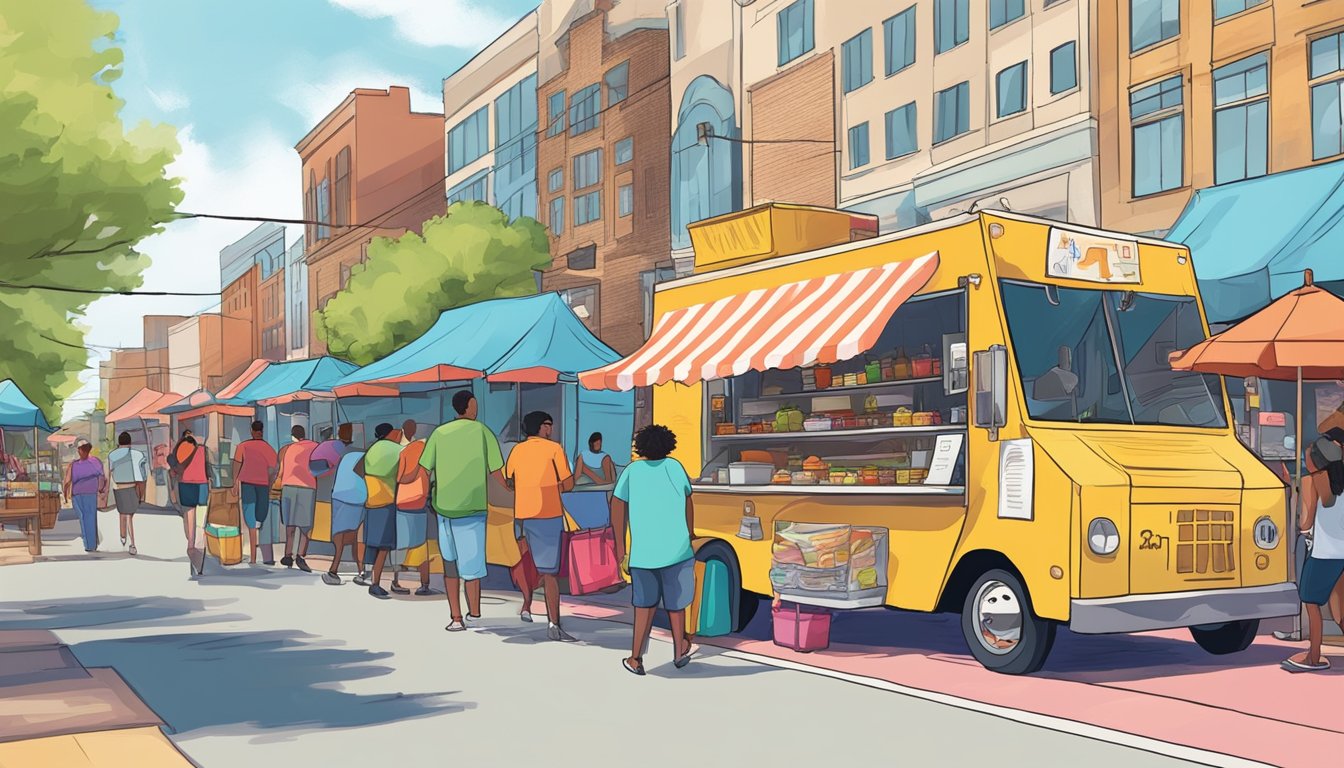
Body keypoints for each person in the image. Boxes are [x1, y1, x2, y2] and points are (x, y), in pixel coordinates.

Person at [611, 424, 696, 676]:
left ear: (641, 447)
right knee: (676, 604)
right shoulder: (676, 468)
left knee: (644, 606)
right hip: (678, 551)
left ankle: (636, 658)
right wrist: (689, 534)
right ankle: (679, 650)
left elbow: (617, 510)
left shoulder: (632, 471)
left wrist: (620, 548)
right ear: (668, 445)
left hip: (643, 554)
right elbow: (688, 503)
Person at [420, 390, 507, 632]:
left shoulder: (438, 433)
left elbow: (423, 470)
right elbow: (497, 471)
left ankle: (456, 617)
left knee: (450, 565)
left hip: (443, 509)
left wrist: (427, 493)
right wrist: (511, 487)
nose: (476, 408)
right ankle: (475, 613)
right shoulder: (482, 431)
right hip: (472, 509)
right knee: (472, 567)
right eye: (474, 404)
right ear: (467, 408)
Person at [505, 411, 577, 641]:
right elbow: (569, 483)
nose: (551, 429)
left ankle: (526, 605)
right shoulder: (554, 448)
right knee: (549, 573)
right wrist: (552, 488)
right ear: (541, 427)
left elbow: (509, 479)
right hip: (547, 513)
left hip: (522, 515)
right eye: (549, 425)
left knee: (526, 564)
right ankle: (554, 623)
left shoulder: (517, 450)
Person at [1283, 436, 1344, 673]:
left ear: (1315, 461)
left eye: (1307, 455)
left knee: (1311, 602)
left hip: (1325, 553)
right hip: (1341, 553)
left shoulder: (1314, 480)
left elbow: (1305, 522)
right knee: (1339, 609)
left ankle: (1314, 657)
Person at [357, 423, 401, 599]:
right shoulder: (397, 449)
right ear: (391, 433)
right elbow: (404, 473)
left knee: (372, 544)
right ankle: (375, 584)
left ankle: (366, 576)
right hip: (386, 500)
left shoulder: (371, 449)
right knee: (384, 546)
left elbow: (359, 470)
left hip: (371, 500)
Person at [392, 420, 433, 596]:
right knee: (420, 544)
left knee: (401, 544)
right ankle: (424, 584)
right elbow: (425, 475)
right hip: (418, 500)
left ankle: (396, 580)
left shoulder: (404, 451)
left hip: (402, 500)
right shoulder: (424, 450)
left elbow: (399, 477)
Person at [231, 421, 278, 566]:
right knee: (259, 518)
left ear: (251, 431)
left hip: (248, 484)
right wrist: (270, 484)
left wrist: (235, 483)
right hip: (262, 485)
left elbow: (237, 465)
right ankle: (255, 555)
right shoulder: (269, 449)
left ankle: (252, 557)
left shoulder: (243, 446)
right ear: (261, 431)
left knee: (250, 520)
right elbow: (274, 470)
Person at [276, 424, 319, 572]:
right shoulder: (315, 446)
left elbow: (281, 472)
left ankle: (288, 555)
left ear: (293, 436)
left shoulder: (287, 449)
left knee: (290, 524)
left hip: (288, 487)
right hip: (308, 487)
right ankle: (301, 556)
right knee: (306, 526)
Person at [324, 438, 366, 586]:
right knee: (357, 535)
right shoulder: (364, 456)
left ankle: (334, 570)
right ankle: (361, 572)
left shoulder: (344, 457)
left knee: (339, 535)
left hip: (339, 495)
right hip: (357, 497)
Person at [172, 432, 210, 577]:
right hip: (202, 484)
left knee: (189, 516)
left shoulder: (179, 448)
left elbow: (175, 467)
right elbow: (208, 466)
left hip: (186, 484)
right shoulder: (202, 449)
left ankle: (191, 545)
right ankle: (199, 553)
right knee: (201, 521)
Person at [107, 432, 148, 556]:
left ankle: (122, 535)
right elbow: (142, 476)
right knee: (129, 515)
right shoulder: (136, 455)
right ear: (130, 442)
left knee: (122, 512)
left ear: (119, 442)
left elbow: (109, 472)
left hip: (118, 487)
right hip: (131, 487)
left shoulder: (112, 455)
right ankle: (132, 544)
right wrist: (141, 494)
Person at [64, 440, 106, 553]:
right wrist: (101, 489)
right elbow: (102, 477)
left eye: (80, 449)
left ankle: (89, 544)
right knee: (90, 518)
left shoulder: (74, 464)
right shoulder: (96, 462)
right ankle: (90, 544)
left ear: (80, 450)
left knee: (84, 518)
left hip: (79, 495)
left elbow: (67, 481)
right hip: (88, 494)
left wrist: (65, 494)